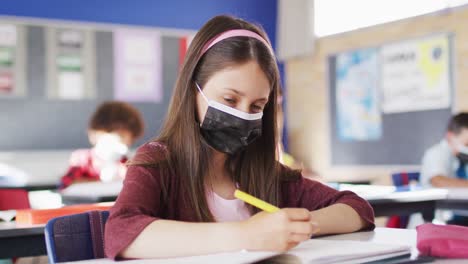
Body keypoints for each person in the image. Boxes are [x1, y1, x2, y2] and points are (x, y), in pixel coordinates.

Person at [104, 15, 375, 260]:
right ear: (194, 90)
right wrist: (247, 235)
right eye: (229, 99)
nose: (243, 115)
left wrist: (294, 226)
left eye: (257, 106)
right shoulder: (158, 162)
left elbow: (357, 208)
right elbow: (120, 232)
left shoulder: (266, 174)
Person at [59, 101, 144, 189]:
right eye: (109, 132)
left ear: (132, 139)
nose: (114, 139)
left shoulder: (127, 163)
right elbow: (65, 185)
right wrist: (102, 183)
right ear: (93, 134)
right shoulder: (82, 159)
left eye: (121, 135)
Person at [421, 112, 468, 225]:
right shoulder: (436, 153)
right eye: (466, 144)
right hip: (436, 220)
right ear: (450, 136)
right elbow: (438, 180)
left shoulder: (460, 158)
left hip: (458, 215)